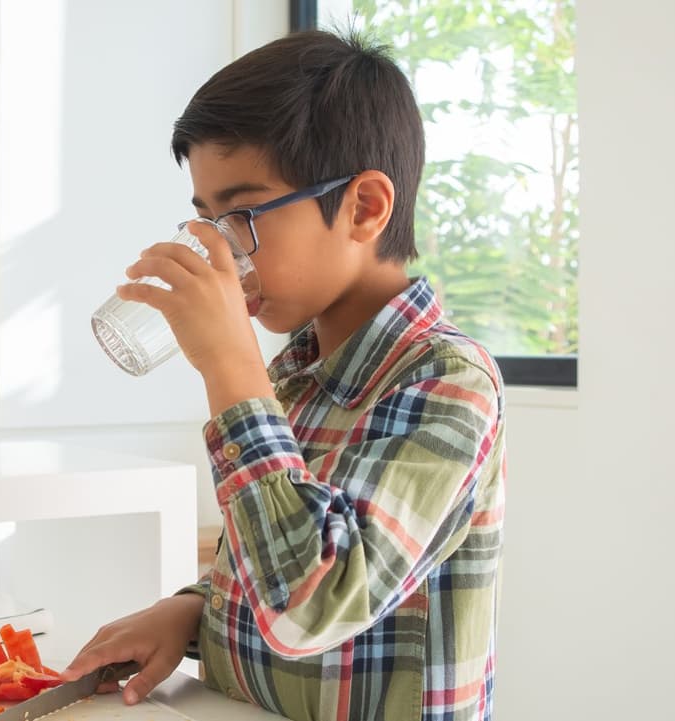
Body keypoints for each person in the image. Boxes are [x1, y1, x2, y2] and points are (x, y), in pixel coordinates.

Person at [62, 30, 507, 721]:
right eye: (206, 218)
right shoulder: (297, 372)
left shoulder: (447, 382)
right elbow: (268, 551)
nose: (220, 250)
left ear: (364, 207)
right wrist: (190, 609)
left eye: (241, 216)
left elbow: (312, 604)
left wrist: (229, 366)